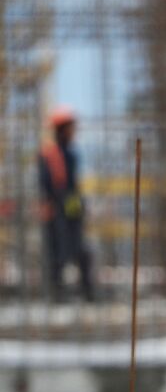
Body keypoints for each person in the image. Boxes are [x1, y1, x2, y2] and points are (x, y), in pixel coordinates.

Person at [38, 106, 95, 303]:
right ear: (61, 129)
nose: (74, 132)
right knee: (57, 255)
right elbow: (46, 186)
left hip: (69, 209)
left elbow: (73, 187)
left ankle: (87, 295)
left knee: (81, 252)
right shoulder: (48, 154)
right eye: (70, 127)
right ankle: (56, 297)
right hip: (55, 211)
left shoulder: (70, 155)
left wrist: (78, 209)